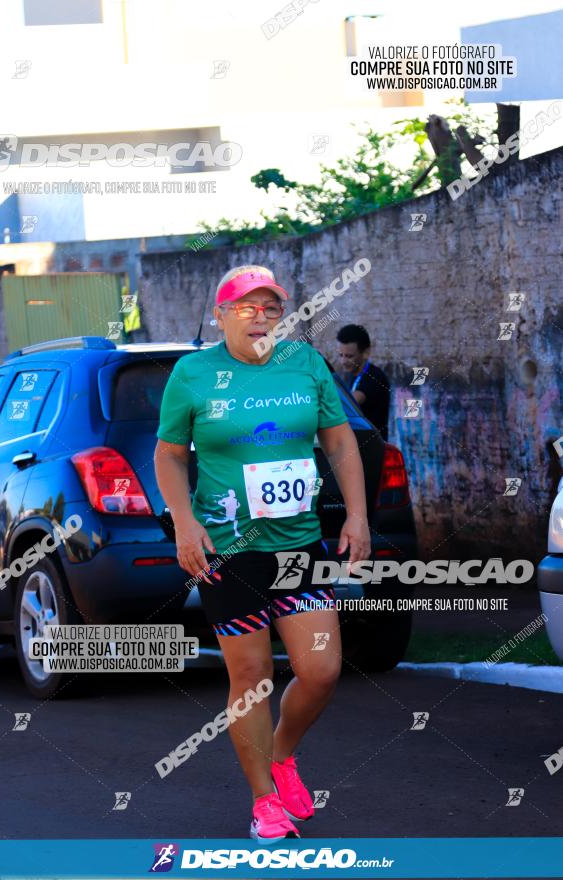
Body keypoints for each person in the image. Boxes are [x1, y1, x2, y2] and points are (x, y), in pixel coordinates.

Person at [154, 265, 371, 842]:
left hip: (299, 544)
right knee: (250, 677)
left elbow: (339, 438)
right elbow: (170, 455)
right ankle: (264, 802)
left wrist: (356, 513)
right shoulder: (194, 373)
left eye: (270, 307)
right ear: (220, 314)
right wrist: (183, 522)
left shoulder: (304, 363)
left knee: (321, 670)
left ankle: (281, 756)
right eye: (246, 307)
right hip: (228, 550)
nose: (260, 316)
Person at [335, 324, 390, 441]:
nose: (343, 361)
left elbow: (349, 402)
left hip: (373, 448)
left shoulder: (374, 377)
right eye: (341, 355)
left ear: (365, 352)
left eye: (349, 356)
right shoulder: (351, 375)